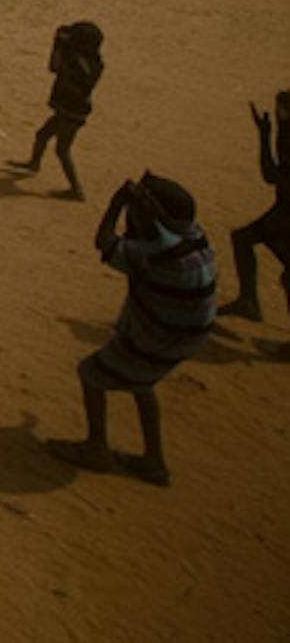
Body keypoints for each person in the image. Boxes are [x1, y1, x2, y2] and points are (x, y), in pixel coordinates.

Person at [46, 174, 217, 487]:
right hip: (185, 336)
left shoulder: (153, 254)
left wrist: (115, 205)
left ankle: (96, 447)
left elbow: (105, 242)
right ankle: (154, 461)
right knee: (142, 383)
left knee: (91, 373)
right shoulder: (194, 236)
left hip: (157, 337)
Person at [219, 90, 290, 325]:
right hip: (281, 211)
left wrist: (263, 136)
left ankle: (249, 302)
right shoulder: (286, 132)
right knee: (242, 239)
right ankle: (248, 302)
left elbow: (270, 175)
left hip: (285, 217)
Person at [12, 21, 105, 200]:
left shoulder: (77, 62)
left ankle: (76, 190)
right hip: (73, 109)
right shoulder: (95, 62)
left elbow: (53, 67)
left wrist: (58, 45)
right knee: (42, 135)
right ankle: (34, 163)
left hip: (71, 110)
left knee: (62, 150)